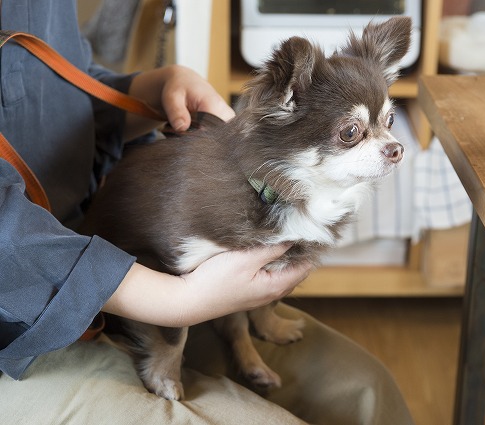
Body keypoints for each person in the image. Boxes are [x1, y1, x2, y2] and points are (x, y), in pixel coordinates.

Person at [0, 1, 415, 424]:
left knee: (369, 389)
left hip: (106, 250)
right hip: (23, 319)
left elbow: (48, 85)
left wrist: (147, 88)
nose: (389, 145)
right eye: (352, 133)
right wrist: (176, 302)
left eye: (388, 121)